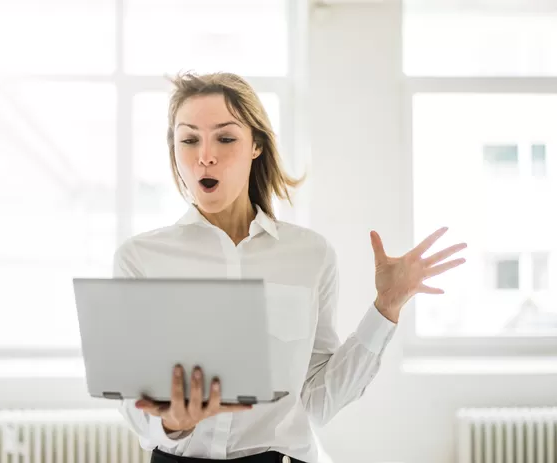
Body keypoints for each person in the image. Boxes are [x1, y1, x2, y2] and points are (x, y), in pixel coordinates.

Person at [113, 72, 467, 463]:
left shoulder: (311, 255)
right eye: (189, 139)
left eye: (226, 138)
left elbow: (317, 402)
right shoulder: (140, 259)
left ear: (256, 146)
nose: (205, 156)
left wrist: (387, 308)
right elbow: (133, 402)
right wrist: (173, 422)